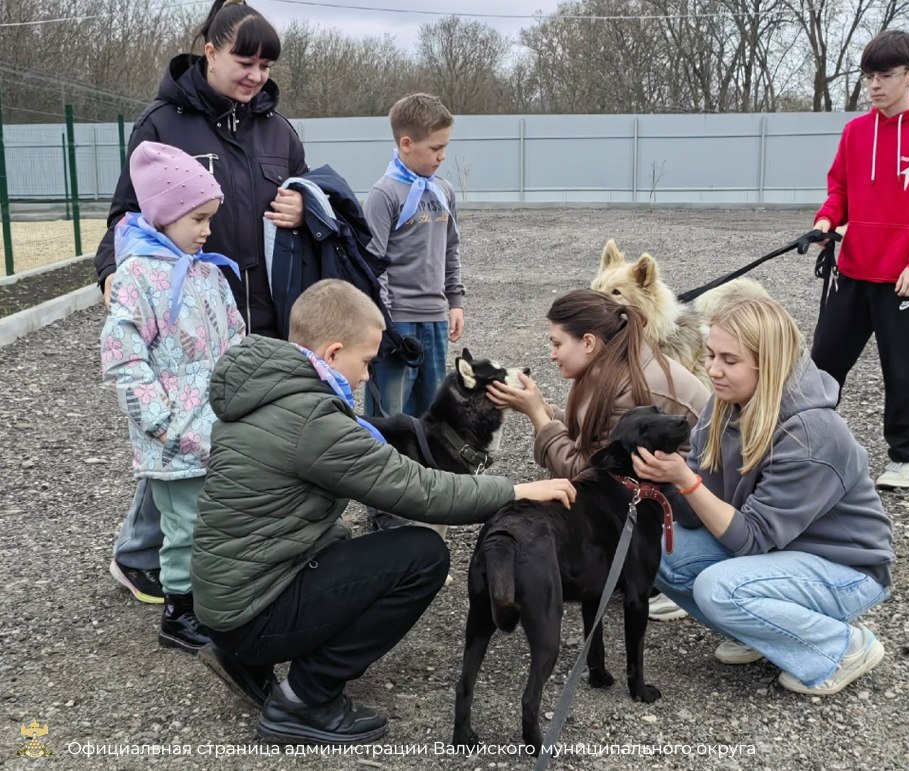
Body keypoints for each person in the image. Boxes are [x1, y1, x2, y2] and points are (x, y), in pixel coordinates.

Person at [191, 279, 576, 746]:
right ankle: (305, 698)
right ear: (333, 353)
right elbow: (420, 491)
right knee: (422, 555)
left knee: (347, 544)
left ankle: (248, 659)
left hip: (229, 602)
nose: (367, 376)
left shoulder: (270, 395)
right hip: (251, 613)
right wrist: (516, 489)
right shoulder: (313, 422)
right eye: (367, 361)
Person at [97, 0, 307, 604]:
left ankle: (234, 546)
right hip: (184, 321)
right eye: (245, 61)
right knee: (178, 435)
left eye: (266, 66)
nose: (256, 76)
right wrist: (112, 274)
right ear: (210, 52)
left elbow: (309, 190)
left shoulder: (278, 129)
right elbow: (125, 214)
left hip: (257, 312)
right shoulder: (164, 123)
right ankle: (140, 555)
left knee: (239, 437)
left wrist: (303, 205)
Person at [632, 296, 895, 696]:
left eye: (730, 360)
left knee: (719, 589)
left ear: (768, 362)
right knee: (652, 547)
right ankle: (763, 633)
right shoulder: (725, 405)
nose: (713, 370)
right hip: (777, 551)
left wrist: (684, 480)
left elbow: (752, 538)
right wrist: (659, 479)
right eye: (711, 355)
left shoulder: (811, 435)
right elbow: (695, 515)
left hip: (846, 568)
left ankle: (841, 648)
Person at [487, 288, 711, 621]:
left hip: (690, 504)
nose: (551, 355)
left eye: (556, 344)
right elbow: (588, 438)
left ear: (589, 342)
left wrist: (537, 415)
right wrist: (540, 408)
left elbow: (588, 473)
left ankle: (673, 578)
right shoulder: (612, 364)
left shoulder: (632, 387)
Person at [101, 141, 245, 653]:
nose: (207, 231)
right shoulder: (136, 277)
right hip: (173, 439)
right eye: (197, 219)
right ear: (164, 214)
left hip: (217, 429)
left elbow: (236, 338)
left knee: (215, 522)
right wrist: (162, 423)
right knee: (184, 526)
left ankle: (213, 601)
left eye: (210, 219)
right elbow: (125, 359)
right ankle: (179, 613)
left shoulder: (209, 273)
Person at [811, 29, 909, 490]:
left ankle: (906, 460)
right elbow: (840, 189)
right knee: (821, 366)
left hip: (902, 279)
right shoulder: (856, 132)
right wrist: (826, 220)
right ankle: (808, 443)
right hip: (853, 271)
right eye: (869, 76)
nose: (874, 85)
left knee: (903, 370)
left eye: (885, 75)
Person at [361, 93, 460, 533]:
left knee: (431, 412)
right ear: (405, 143)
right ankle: (383, 505)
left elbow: (451, 251)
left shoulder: (444, 192)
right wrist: (383, 325)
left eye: (445, 148)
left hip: (434, 319)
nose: (441, 156)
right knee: (389, 416)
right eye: (434, 148)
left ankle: (424, 495)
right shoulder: (384, 195)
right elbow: (373, 264)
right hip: (397, 324)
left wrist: (455, 302)